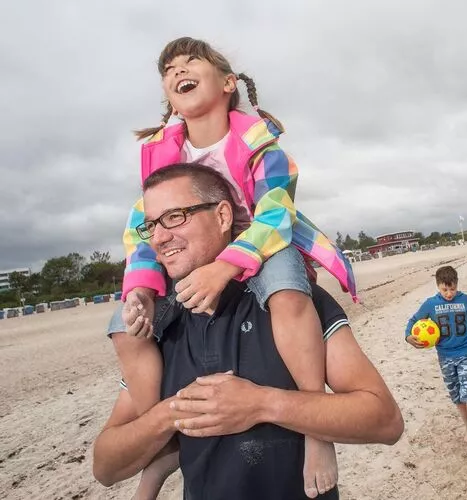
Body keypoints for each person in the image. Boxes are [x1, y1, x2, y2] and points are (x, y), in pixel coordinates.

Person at [115, 37, 356, 498]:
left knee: (287, 291)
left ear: (228, 83)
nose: (176, 70)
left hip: (259, 244)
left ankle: (316, 429)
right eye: (167, 69)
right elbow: (142, 227)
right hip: (191, 252)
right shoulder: (161, 152)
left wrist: (225, 267)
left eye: (189, 63)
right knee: (126, 327)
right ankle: (162, 441)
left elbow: (275, 214)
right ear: (167, 95)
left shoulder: (260, 145)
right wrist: (142, 289)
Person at [93, 164, 403, 500]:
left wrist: (262, 404)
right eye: (151, 225)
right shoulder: (160, 323)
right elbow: (105, 467)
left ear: (223, 216)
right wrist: (172, 413)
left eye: (175, 217)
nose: (159, 237)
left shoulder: (289, 300)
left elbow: (384, 419)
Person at [404, 266, 467, 452]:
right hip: (445, 356)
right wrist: (408, 336)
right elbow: (413, 321)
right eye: (445, 289)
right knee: (457, 395)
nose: (449, 293)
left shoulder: (465, 300)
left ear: (456, 284)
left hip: (466, 352)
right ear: (438, 286)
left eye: (452, 289)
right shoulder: (430, 304)